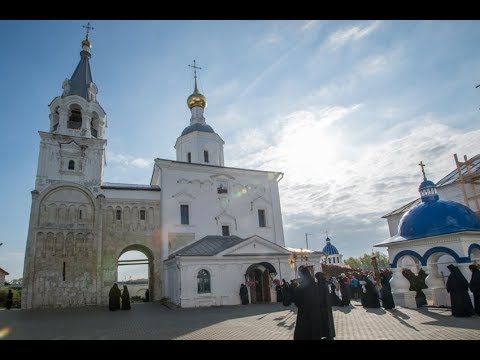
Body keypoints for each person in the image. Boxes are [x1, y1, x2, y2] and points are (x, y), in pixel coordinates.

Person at [293, 266, 322, 340]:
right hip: (315, 310)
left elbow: (297, 299)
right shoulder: (314, 283)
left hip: (304, 311)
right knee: (314, 327)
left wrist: (295, 288)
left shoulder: (302, 284)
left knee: (304, 329)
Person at [315, 272, 336, 340]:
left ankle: (328, 335)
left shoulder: (322, 285)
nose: (317, 279)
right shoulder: (325, 284)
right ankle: (327, 334)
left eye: (317, 278)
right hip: (326, 306)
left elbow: (320, 296)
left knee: (326, 321)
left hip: (323, 306)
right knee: (326, 320)